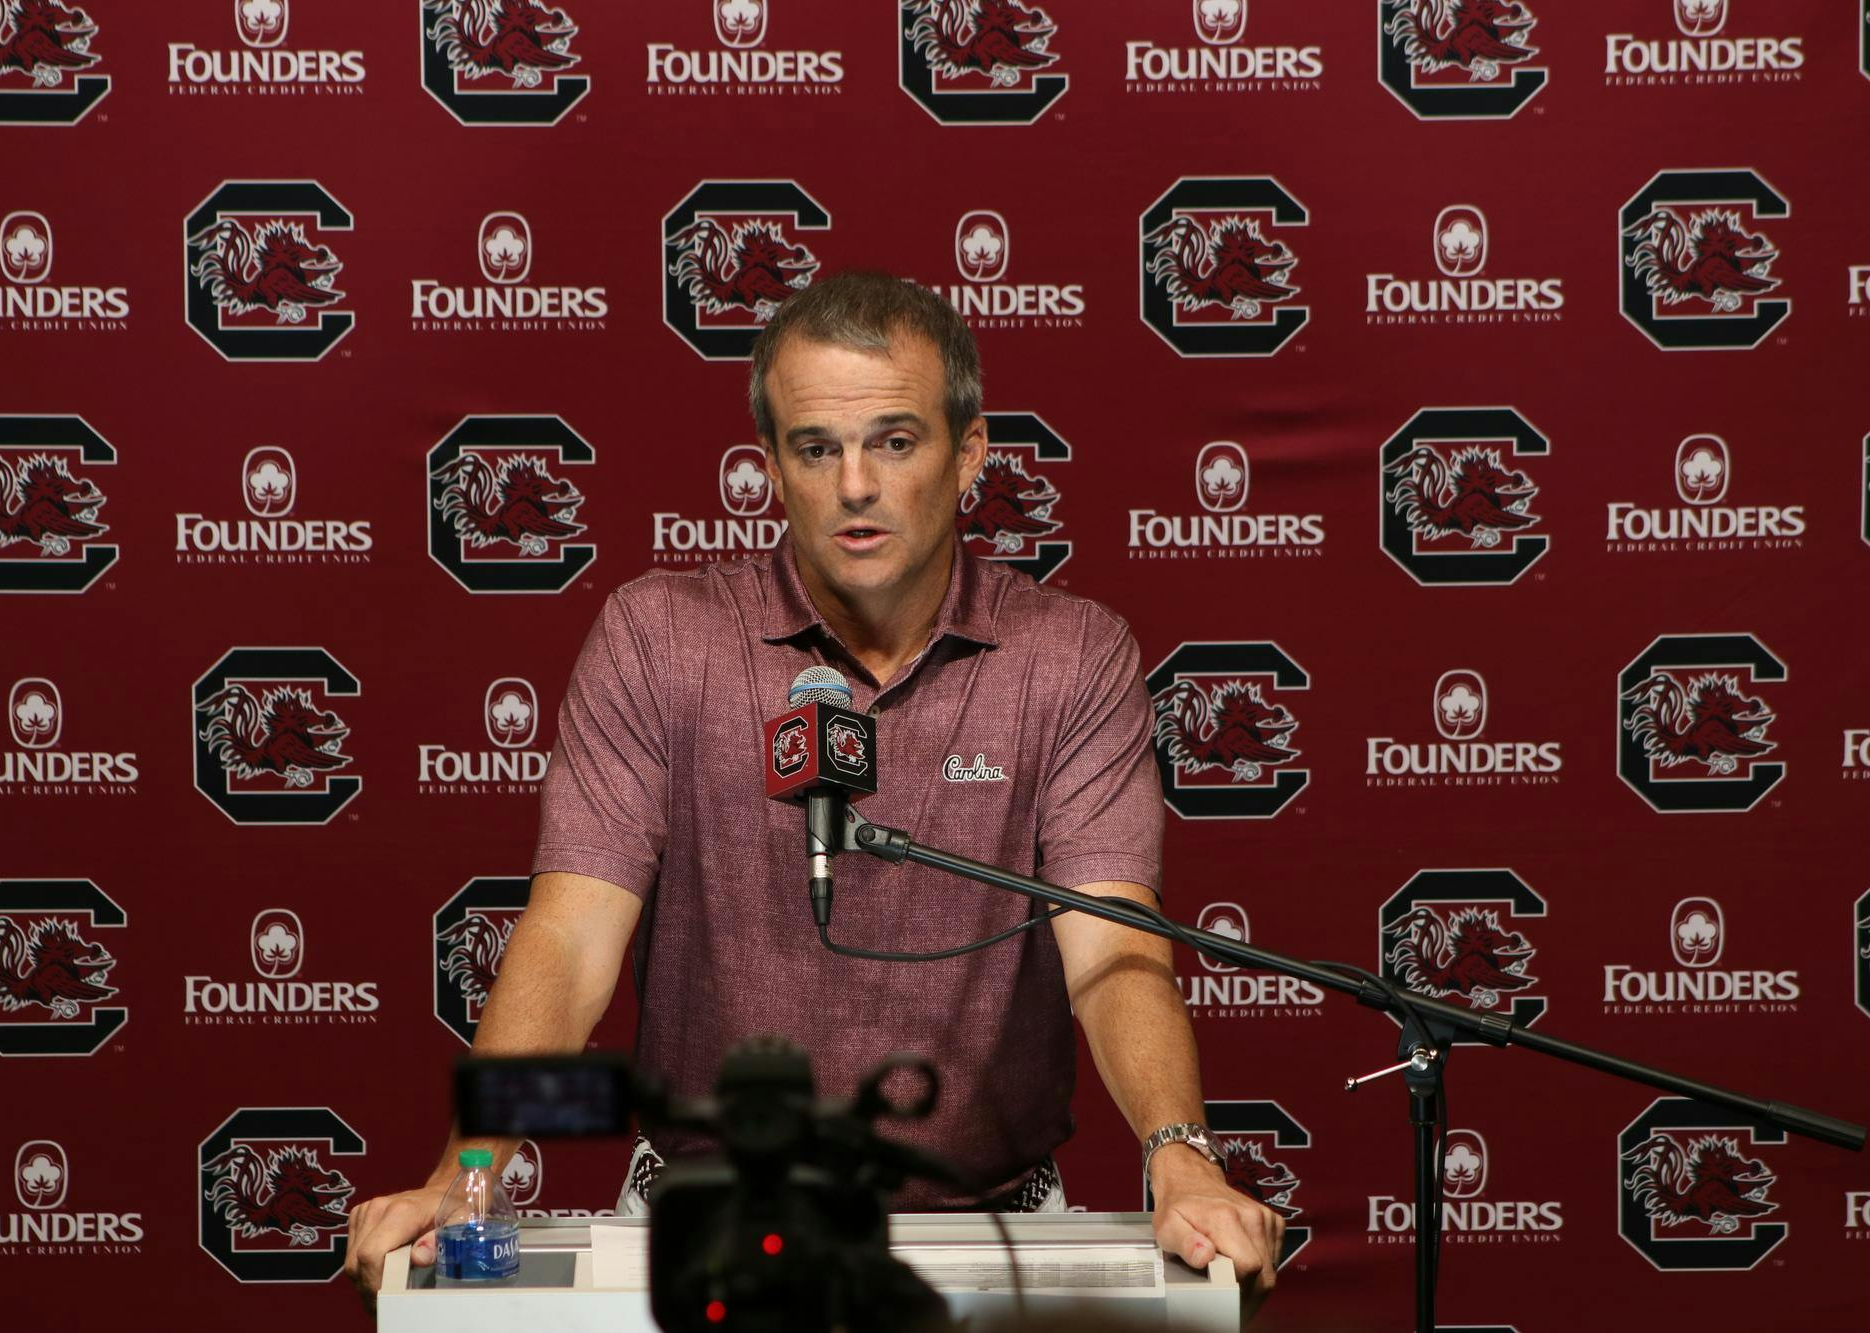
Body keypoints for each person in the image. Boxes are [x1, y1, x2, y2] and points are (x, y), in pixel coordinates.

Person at [345, 272, 1283, 1310]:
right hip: (707, 1224)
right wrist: (462, 1176)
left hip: (989, 1229)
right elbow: (570, 943)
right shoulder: (660, 638)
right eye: (815, 448)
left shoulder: (1069, 656)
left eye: (894, 440)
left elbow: (1110, 943)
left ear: (967, 454)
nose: (853, 487)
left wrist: (1178, 1154)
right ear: (768, 468)